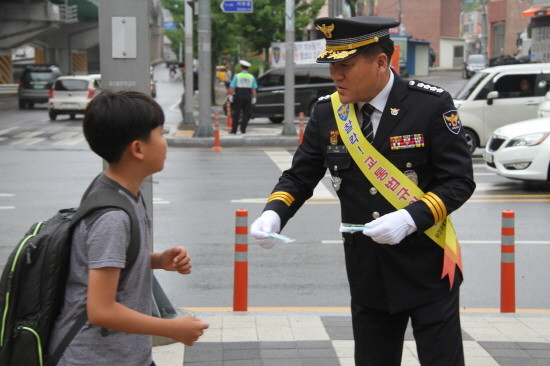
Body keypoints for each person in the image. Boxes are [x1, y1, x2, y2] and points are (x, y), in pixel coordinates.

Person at [250, 16, 475, 366]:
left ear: (381, 62)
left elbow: (459, 180)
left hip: (428, 264)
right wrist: (274, 213)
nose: (335, 75)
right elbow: (299, 176)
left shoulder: (429, 105)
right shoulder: (327, 113)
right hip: (369, 270)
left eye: (346, 65)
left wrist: (410, 218)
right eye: (332, 66)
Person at [47, 90, 209, 366]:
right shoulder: (113, 215)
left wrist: (157, 260)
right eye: (160, 133)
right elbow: (101, 310)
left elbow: (100, 261)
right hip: (94, 359)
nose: (165, 142)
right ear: (138, 148)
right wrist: (173, 328)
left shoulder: (116, 190)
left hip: (124, 356)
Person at [227, 60, 258, 134]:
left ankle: (234, 130)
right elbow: (254, 89)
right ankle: (243, 129)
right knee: (246, 113)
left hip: (238, 96)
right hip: (247, 96)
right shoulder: (251, 77)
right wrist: (254, 97)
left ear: (241, 68)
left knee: (236, 113)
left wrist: (230, 95)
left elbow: (232, 87)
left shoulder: (237, 76)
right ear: (248, 69)